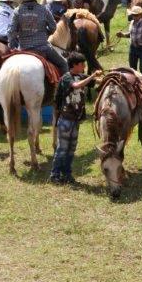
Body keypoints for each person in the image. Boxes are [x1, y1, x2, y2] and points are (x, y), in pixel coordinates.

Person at [50, 52, 101, 185]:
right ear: (75, 65)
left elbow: (96, 82)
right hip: (65, 120)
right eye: (82, 64)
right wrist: (92, 77)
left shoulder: (80, 76)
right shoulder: (67, 77)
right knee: (62, 148)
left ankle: (67, 174)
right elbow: (76, 86)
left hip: (75, 120)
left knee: (71, 149)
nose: (84, 66)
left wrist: (105, 76)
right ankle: (54, 175)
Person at [8, 0, 67, 76]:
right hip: (43, 47)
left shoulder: (17, 11)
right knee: (63, 64)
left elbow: (11, 31)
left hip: (24, 48)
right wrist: (46, 33)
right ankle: (66, 87)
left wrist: (12, 46)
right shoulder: (43, 9)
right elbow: (53, 26)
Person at [116, 6, 142, 88]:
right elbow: (131, 34)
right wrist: (122, 35)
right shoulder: (132, 23)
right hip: (133, 48)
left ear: (140, 15)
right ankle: (136, 83)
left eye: (136, 15)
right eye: (133, 15)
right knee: (132, 68)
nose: (134, 17)